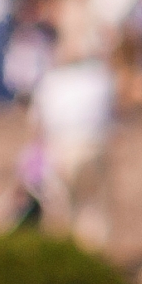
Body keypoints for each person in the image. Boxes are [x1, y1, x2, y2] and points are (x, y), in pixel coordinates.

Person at [30, 28, 120, 248]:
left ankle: (69, 261)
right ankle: (93, 260)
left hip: (62, 149)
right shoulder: (101, 78)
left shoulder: (51, 80)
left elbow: (36, 125)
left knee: (62, 212)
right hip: (93, 146)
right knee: (92, 209)